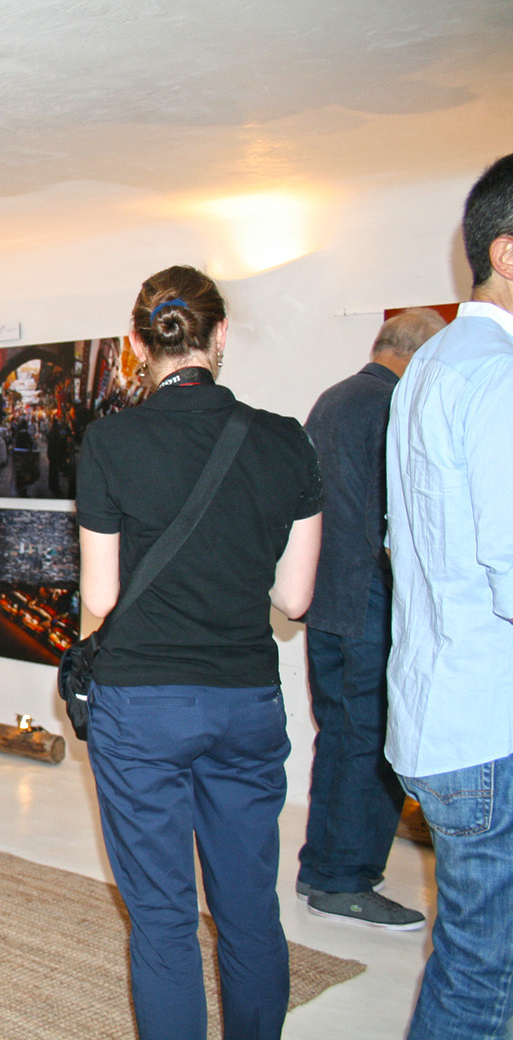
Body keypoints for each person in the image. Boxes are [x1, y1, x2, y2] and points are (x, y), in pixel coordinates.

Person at [76, 265, 322, 1040]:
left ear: (136, 345)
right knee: (250, 911)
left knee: (162, 919)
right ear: (220, 337)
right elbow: (294, 600)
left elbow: (102, 599)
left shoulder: (111, 441)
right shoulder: (286, 440)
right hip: (246, 700)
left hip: (142, 705)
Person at [385, 153, 513, 1040]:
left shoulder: (432, 363)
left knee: (472, 958)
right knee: (484, 975)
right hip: (488, 721)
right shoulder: (496, 376)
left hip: (444, 707)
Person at [296, 309, 444, 930]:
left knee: (339, 735)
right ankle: (344, 880)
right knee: (374, 743)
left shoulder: (331, 400)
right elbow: (403, 517)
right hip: (369, 602)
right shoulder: (396, 405)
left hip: (324, 598)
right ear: (413, 354)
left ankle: (320, 868)